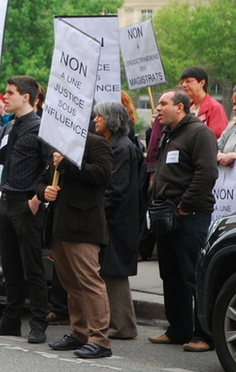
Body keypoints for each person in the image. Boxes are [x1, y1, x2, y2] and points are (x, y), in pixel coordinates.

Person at [0, 76, 49, 344]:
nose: (4, 97)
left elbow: (50, 166)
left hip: (26, 204)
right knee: (10, 267)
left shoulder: (41, 128)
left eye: (9, 93)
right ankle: (10, 320)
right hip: (5, 203)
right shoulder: (9, 127)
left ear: (26, 97)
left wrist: (38, 199)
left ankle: (39, 323)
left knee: (33, 268)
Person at [148, 89, 218, 352]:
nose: (158, 108)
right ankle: (178, 329)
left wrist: (185, 207)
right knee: (171, 274)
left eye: (163, 104)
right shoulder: (170, 134)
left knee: (192, 275)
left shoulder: (199, 133)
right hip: (166, 216)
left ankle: (204, 335)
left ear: (180, 107)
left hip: (190, 216)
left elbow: (207, 172)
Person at [38, 133, 114, 359]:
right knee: (71, 284)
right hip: (59, 228)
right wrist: (44, 192)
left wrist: (67, 165)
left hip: (84, 227)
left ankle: (100, 338)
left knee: (90, 282)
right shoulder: (59, 144)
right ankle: (80, 332)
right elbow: (42, 179)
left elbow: (102, 174)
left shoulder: (96, 143)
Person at [93, 102, 141, 340]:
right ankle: (117, 323)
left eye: (99, 116)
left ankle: (122, 326)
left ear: (111, 119)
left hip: (117, 220)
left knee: (114, 272)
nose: (95, 120)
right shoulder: (115, 144)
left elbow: (116, 188)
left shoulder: (121, 147)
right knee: (109, 270)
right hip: (114, 218)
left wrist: (99, 212)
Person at [180, 66, 228, 139]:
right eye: (182, 82)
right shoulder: (186, 108)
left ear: (202, 83)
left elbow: (217, 135)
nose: (183, 85)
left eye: (188, 81)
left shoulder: (214, 107)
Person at [216, 91, 236, 167]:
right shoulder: (232, 126)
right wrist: (219, 156)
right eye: (234, 104)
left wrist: (233, 155)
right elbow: (215, 147)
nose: (234, 108)